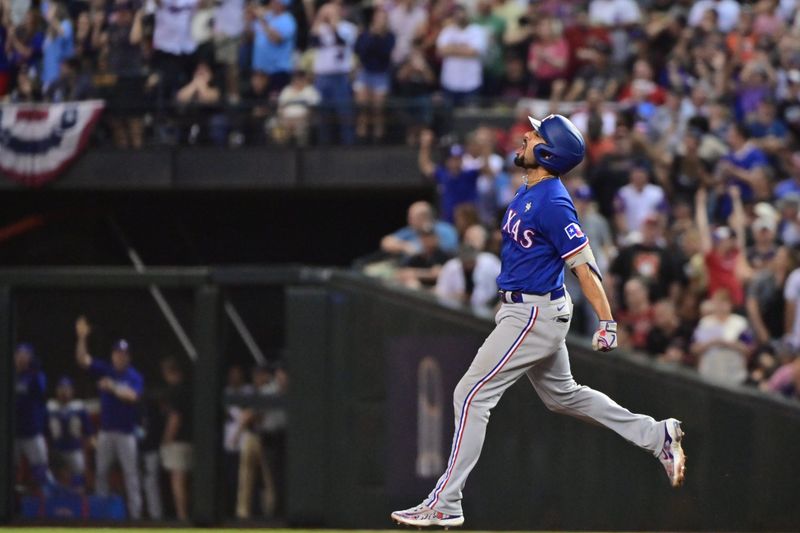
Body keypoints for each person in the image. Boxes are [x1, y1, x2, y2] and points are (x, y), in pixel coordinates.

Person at [391, 114, 686, 529]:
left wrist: (607, 321)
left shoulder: (553, 200)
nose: (526, 135)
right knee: (563, 395)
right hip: (528, 308)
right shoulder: (532, 189)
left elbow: (584, 267)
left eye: (535, 135)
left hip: (533, 313)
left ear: (548, 152)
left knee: (470, 394)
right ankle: (656, 436)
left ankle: (447, 501)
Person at [75, 316, 144, 519]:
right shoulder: (106, 369)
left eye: (123, 354)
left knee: (131, 475)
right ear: (113, 355)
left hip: (126, 433)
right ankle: (102, 515)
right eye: (117, 353)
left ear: (128, 357)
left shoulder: (134, 375)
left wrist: (112, 387)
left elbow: (133, 396)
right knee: (101, 473)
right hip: (106, 432)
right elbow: (82, 360)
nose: (120, 357)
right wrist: (81, 338)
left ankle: (136, 516)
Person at [14, 343, 54, 493]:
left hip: (32, 431)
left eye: (26, 354)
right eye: (19, 354)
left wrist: (35, 371)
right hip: (13, 433)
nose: (22, 357)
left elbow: (40, 390)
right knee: (10, 469)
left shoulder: (36, 375)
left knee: (40, 469)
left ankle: (43, 505)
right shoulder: (8, 374)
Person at [160, 357, 193, 520]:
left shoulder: (174, 391)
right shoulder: (189, 390)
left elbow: (175, 418)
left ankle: (182, 516)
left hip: (178, 442)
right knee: (187, 481)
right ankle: (186, 514)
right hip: (191, 441)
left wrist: (166, 439)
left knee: (177, 481)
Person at [47, 376, 93, 490]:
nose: (64, 392)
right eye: (61, 388)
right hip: (56, 450)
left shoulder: (79, 407)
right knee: (52, 478)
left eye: (67, 389)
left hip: (74, 449)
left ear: (72, 391)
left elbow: (88, 431)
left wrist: (87, 448)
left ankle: (77, 503)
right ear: (56, 391)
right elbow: (44, 430)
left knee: (78, 480)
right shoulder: (50, 407)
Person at [380, 200, 459, 259]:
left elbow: (450, 250)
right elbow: (386, 241)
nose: (409, 221)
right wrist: (405, 246)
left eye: (412, 218)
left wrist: (419, 249)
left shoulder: (445, 230)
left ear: (423, 217)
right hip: (413, 266)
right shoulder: (411, 230)